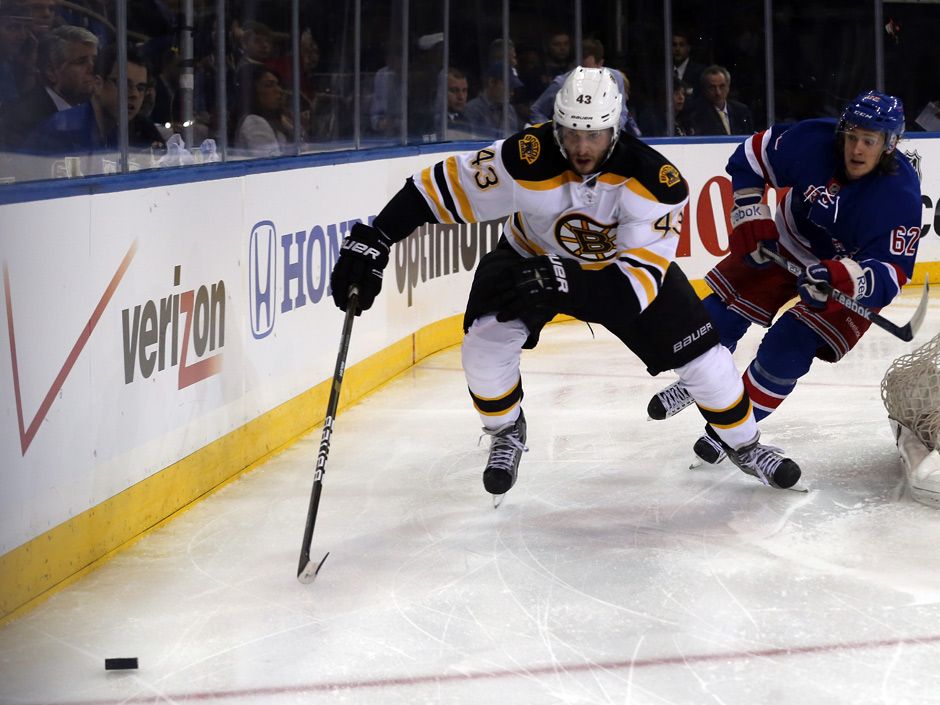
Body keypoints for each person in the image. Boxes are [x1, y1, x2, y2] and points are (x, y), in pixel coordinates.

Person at [328, 66, 802, 499]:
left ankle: (745, 445)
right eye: (573, 132)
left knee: (707, 364)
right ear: (556, 127)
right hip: (528, 254)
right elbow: (437, 190)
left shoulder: (655, 181)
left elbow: (632, 292)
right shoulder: (524, 157)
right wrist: (376, 237)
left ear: (615, 129)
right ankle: (507, 431)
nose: (582, 147)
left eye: (594, 134)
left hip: (622, 275)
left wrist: (563, 280)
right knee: (483, 348)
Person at [646, 91, 922, 466]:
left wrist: (839, 276)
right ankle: (703, 383)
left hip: (847, 272)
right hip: (790, 240)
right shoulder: (814, 140)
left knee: (787, 346)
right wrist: (750, 212)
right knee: (718, 317)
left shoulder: (900, 194)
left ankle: (731, 431)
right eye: (853, 135)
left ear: (889, 145)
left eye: (869, 141)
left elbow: (891, 272)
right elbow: (751, 156)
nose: (856, 148)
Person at [0, 23, 97, 149]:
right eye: (81, 62)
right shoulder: (22, 120)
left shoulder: (95, 109)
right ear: (51, 71)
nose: (92, 69)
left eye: (94, 60)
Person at [528, 38, 640, 138]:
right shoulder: (562, 83)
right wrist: (551, 131)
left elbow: (622, 110)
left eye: (591, 70)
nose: (586, 75)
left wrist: (612, 130)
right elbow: (537, 111)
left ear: (601, 63)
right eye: (583, 69)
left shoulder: (615, 78)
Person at [233, 63, 292, 157]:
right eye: (269, 85)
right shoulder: (254, 122)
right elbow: (272, 165)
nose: (279, 90)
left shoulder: (278, 122)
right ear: (253, 91)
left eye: (278, 85)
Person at [462, 61, 522, 138]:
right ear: (492, 82)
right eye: (509, 87)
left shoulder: (510, 110)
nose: (512, 93)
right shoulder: (472, 109)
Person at [688, 65, 753, 136]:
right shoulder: (697, 114)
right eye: (712, 88)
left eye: (722, 86)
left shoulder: (741, 110)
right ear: (704, 89)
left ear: (728, 87)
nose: (718, 92)